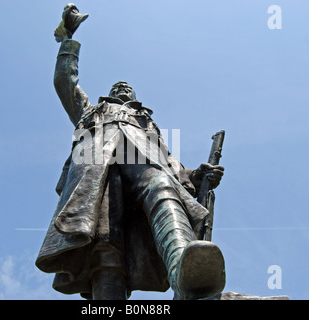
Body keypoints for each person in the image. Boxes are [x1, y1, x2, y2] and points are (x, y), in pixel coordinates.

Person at [36, 3, 226, 300]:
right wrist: (68, 39)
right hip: (97, 165)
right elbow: (64, 81)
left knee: (162, 186)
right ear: (110, 95)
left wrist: (195, 174)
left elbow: (169, 163)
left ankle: (183, 273)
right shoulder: (92, 110)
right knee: (105, 240)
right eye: (118, 87)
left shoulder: (147, 123)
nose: (123, 87)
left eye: (127, 87)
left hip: (140, 160)